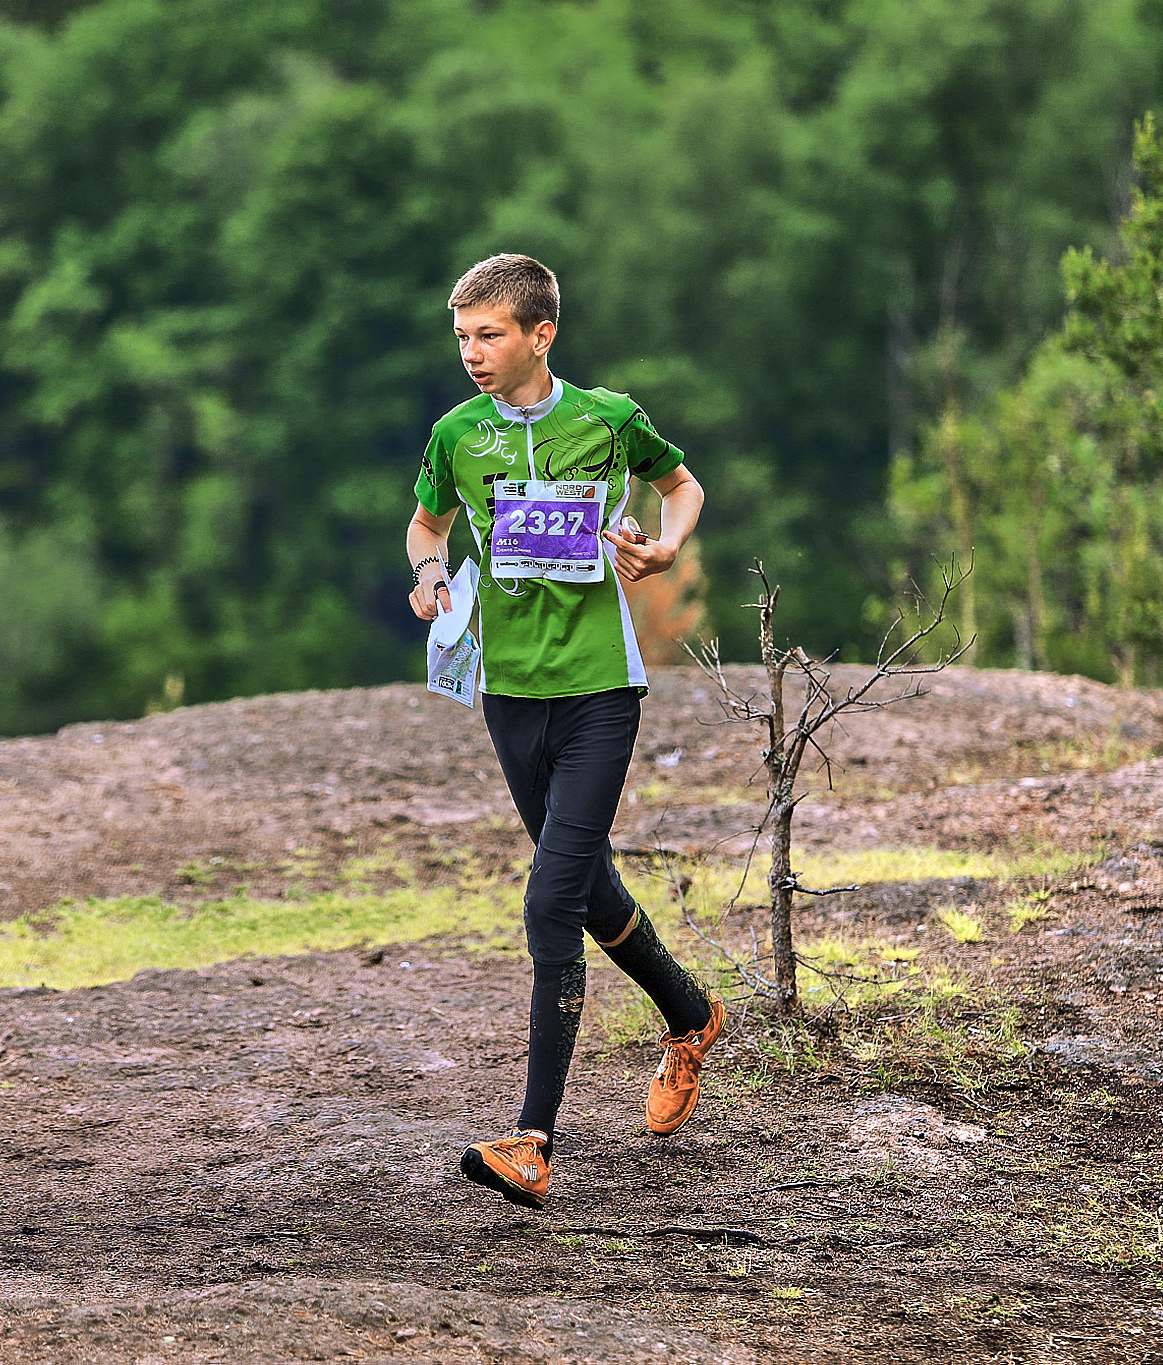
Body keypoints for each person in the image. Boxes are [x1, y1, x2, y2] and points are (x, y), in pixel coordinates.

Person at [406, 253, 721, 1210]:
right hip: (509, 693)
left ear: (541, 334)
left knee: (549, 900)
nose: (471, 353)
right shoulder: (456, 434)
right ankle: (690, 1011)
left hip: (599, 693)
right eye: (462, 336)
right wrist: (427, 578)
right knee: (581, 884)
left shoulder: (608, 419)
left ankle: (534, 1139)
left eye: (489, 334)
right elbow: (427, 531)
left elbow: (683, 486)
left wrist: (667, 544)